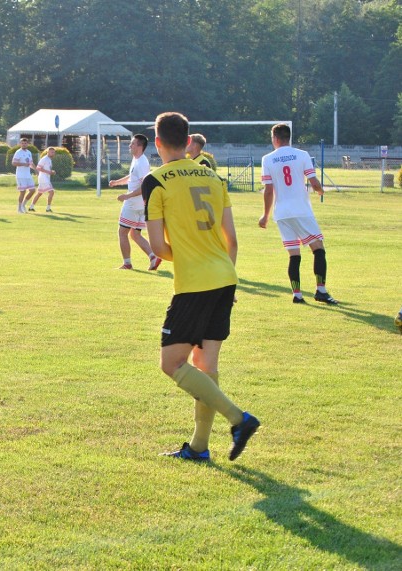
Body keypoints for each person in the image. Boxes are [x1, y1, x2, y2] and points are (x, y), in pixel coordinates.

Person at [142, 111, 260, 462]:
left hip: (195, 283)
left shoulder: (156, 181)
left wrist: (190, 255)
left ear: (158, 142)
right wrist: (224, 273)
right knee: (205, 366)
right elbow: (232, 241)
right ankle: (198, 447)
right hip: (225, 276)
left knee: (172, 363)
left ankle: (240, 420)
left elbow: (159, 248)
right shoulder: (213, 177)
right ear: (189, 139)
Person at [258, 123, 338, 305]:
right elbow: (314, 182)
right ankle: (321, 290)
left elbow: (268, 190)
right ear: (288, 138)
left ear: (275, 138)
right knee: (318, 249)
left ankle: (297, 294)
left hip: (282, 213)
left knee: (294, 254)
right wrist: (320, 191)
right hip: (301, 210)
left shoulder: (267, 159)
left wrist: (265, 215)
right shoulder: (302, 155)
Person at [108, 134, 161, 271]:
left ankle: (127, 263)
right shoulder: (137, 160)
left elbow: (144, 185)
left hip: (133, 203)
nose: (130, 146)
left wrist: (127, 196)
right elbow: (132, 177)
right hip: (139, 203)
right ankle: (153, 257)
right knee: (135, 234)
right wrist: (117, 182)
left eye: (132, 143)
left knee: (122, 232)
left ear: (140, 146)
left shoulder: (142, 163)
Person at [11, 137, 36, 213]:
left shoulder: (29, 152)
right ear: (20, 144)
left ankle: (23, 205)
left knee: (32, 190)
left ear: (27, 144)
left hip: (28, 175)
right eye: (22, 143)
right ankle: (19, 208)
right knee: (23, 191)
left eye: (25, 143)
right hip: (21, 175)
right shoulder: (18, 152)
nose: (24, 144)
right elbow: (14, 163)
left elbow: (30, 163)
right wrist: (23, 164)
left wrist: (36, 170)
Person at [28, 147, 56, 212]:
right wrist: (49, 172)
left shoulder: (49, 159)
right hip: (43, 178)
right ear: (47, 152)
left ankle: (31, 207)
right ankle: (48, 208)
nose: (53, 153)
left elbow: (45, 169)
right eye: (51, 152)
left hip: (44, 178)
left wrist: (51, 171)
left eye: (54, 152)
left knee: (39, 193)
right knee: (51, 192)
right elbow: (38, 168)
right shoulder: (44, 159)